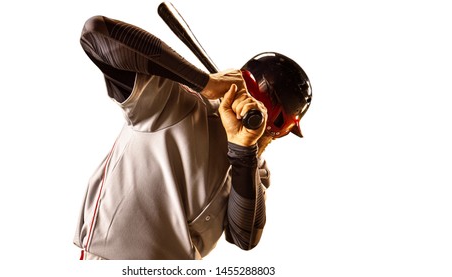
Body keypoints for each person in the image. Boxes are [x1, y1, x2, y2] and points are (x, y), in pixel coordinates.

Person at [73, 15, 311, 260]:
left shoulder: (253, 169)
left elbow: (244, 237)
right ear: (282, 128)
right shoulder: (177, 102)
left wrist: (245, 153)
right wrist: (203, 82)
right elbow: (96, 34)